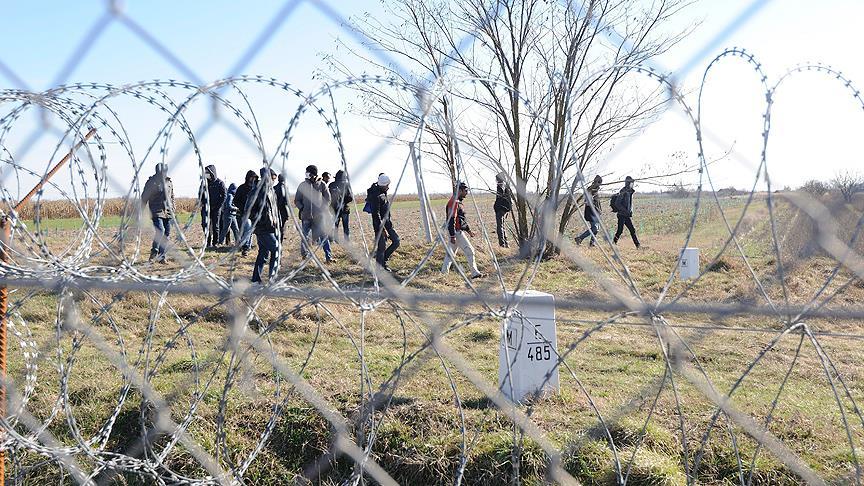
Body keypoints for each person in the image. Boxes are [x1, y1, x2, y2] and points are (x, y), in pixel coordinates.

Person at [441, 182, 484, 278]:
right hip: (456, 232)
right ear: (459, 191)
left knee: (450, 254)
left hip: (456, 231)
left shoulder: (457, 202)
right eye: (465, 190)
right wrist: (452, 235)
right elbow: (451, 219)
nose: (467, 192)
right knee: (470, 251)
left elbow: (461, 219)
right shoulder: (454, 202)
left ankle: (444, 273)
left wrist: (469, 231)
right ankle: (474, 273)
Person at [247, 167, 282, 283]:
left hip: (271, 227)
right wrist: (261, 220)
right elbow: (249, 210)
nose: (273, 181)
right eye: (272, 178)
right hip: (262, 228)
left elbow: (275, 209)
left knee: (263, 253)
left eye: (275, 179)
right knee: (276, 249)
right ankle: (273, 279)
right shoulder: (255, 191)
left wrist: (278, 222)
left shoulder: (271, 191)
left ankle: (256, 280)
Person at [294, 164, 334, 263]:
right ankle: (305, 256)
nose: (306, 174)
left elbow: (328, 199)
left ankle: (328, 257)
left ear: (313, 174)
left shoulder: (322, 185)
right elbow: (297, 200)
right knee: (305, 237)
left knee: (324, 236)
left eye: (308, 172)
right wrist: (302, 208)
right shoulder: (302, 185)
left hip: (319, 217)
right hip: (306, 216)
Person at [141, 163, 174, 263]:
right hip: (156, 211)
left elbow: (172, 196)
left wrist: (173, 208)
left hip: (168, 212)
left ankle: (162, 256)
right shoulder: (152, 182)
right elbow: (144, 197)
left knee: (166, 234)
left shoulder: (169, 182)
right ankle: (154, 252)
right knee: (161, 231)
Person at [367, 174, 400, 271]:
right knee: (382, 247)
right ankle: (380, 268)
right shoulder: (376, 195)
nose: (388, 187)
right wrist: (382, 229)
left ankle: (382, 260)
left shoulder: (383, 192)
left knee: (396, 241)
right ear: (382, 185)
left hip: (388, 224)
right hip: (379, 226)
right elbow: (375, 214)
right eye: (387, 185)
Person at [200, 165, 226, 248]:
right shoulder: (204, 183)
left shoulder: (220, 183)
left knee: (215, 226)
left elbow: (224, 196)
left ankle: (215, 242)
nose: (206, 174)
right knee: (205, 224)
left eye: (208, 172)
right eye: (206, 172)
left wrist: (218, 206)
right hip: (206, 208)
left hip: (216, 208)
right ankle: (208, 242)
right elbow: (201, 194)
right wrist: (202, 202)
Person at [234, 170, 258, 256]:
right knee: (248, 228)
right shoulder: (241, 188)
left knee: (251, 230)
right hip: (245, 213)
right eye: (251, 177)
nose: (253, 179)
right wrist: (243, 207)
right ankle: (245, 247)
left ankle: (248, 245)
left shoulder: (256, 188)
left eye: (254, 177)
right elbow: (235, 200)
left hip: (255, 213)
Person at [613, 176, 640, 248]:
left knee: (632, 230)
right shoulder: (623, 191)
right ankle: (613, 244)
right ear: (628, 183)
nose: (633, 184)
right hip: (622, 215)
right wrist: (625, 211)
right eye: (631, 183)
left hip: (626, 215)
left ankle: (638, 246)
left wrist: (629, 211)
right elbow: (617, 203)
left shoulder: (629, 191)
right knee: (620, 231)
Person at [575, 175, 603, 247]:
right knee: (594, 228)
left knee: (597, 229)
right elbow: (588, 202)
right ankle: (580, 238)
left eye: (600, 182)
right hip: (591, 211)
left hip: (596, 211)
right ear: (595, 182)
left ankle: (592, 243)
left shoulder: (596, 190)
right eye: (599, 182)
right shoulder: (590, 190)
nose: (600, 184)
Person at [329, 169, 353, 241]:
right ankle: (344, 240)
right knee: (343, 226)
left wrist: (342, 197)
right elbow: (350, 198)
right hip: (340, 209)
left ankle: (340, 240)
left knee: (337, 226)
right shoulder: (345, 184)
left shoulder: (333, 185)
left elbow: (350, 198)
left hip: (339, 209)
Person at [493, 171, 513, 248]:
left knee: (500, 227)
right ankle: (506, 243)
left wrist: (496, 207)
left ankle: (502, 244)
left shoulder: (500, 186)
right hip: (505, 209)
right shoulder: (506, 185)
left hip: (500, 209)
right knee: (502, 226)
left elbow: (499, 198)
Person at [274, 173, 290, 241]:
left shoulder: (274, 188)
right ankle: (279, 242)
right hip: (282, 211)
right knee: (281, 228)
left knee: (277, 228)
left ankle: (277, 241)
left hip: (276, 211)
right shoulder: (285, 188)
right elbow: (287, 201)